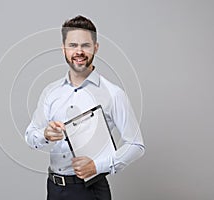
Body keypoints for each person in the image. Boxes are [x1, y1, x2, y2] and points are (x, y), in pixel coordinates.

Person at [25, 15, 145, 200]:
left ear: (95, 48)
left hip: (91, 191)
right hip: (54, 189)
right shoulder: (50, 92)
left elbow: (136, 145)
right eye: (73, 45)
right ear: (63, 48)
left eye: (85, 45)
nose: (79, 51)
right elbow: (30, 136)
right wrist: (45, 135)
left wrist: (99, 166)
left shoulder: (113, 94)